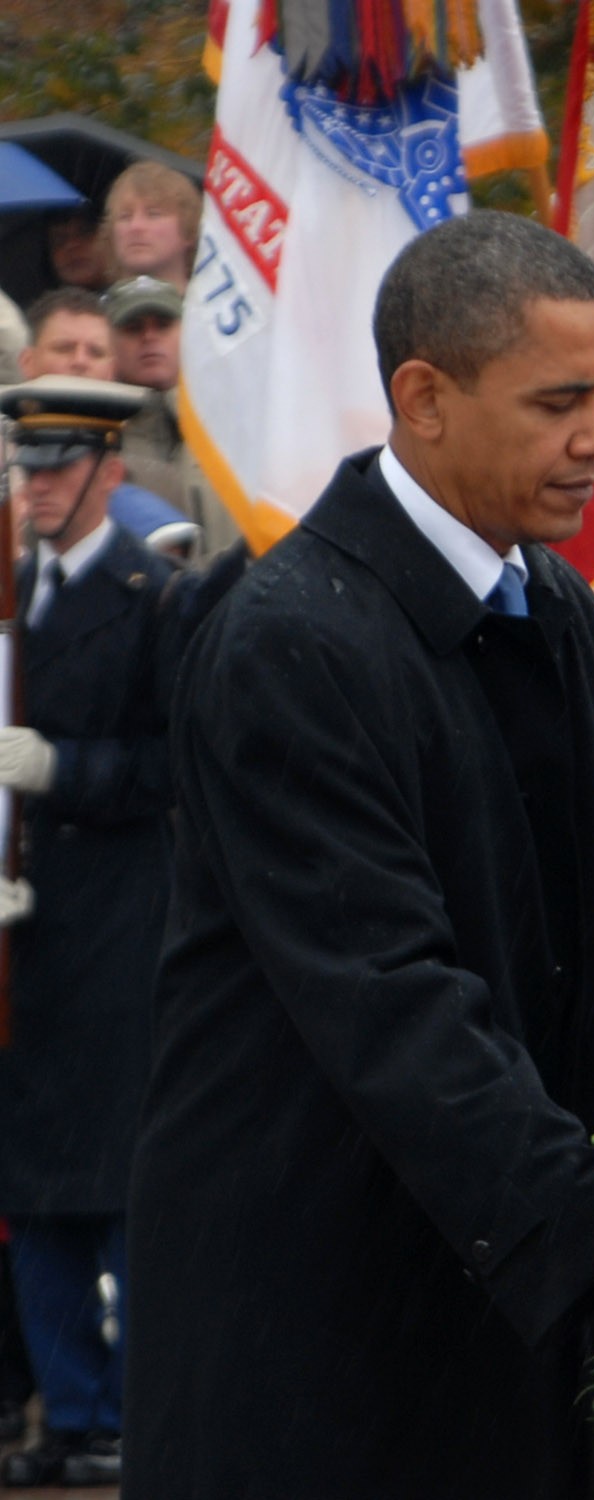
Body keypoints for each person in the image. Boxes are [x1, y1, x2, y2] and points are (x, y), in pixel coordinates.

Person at [123, 212, 594, 1499]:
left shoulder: (548, 599)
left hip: (485, 1309)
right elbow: (391, 998)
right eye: (559, 401)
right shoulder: (287, 643)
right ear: (425, 398)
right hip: (321, 1321)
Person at [0, 375, 177, 1489]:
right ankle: (66, 1412)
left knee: (115, 1179)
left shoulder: (153, 593)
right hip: (25, 929)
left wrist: (64, 771)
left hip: (117, 920)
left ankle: (128, 1406)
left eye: (61, 466)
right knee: (33, 1183)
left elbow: (171, 769)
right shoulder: (12, 596)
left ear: (111, 469)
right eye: (27, 468)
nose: (39, 487)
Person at [18, 289, 201, 560]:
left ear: (112, 369)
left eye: (95, 352)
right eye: (64, 348)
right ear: (27, 362)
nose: (80, 361)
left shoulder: (158, 482)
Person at [101, 276, 240, 563]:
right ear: (109, 344)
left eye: (163, 325)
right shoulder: (99, 441)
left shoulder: (230, 425)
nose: (149, 337)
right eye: (133, 328)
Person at [99, 163, 200, 291]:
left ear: (188, 230)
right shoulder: (93, 310)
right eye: (125, 216)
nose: (135, 226)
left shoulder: (213, 308)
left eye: (153, 214)